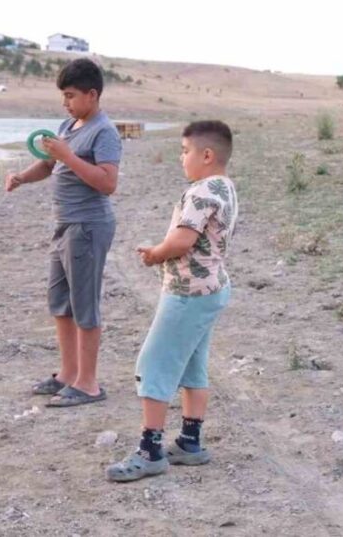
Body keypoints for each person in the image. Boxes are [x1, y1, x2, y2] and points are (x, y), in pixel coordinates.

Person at [107, 120, 239, 481]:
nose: (181, 158)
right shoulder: (226, 187)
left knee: (153, 364)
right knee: (193, 366)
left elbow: (182, 241)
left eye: (185, 151)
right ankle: (189, 443)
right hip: (213, 288)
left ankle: (150, 451)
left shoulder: (201, 191)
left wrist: (154, 254)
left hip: (188, 293)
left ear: (207, 155)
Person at [6, 58, 122, 407]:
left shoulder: (105, 132)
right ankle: (68, 374)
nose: (65, 103)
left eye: (71, 95)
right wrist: (22, 178)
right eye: (63, 96)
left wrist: (68, 155)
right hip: (64, 226)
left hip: (88, 225)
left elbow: (108, 183)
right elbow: (48, 164)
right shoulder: (68, 125)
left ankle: (89, 384)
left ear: (92, 94)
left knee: (84, 305)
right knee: (61, 303)